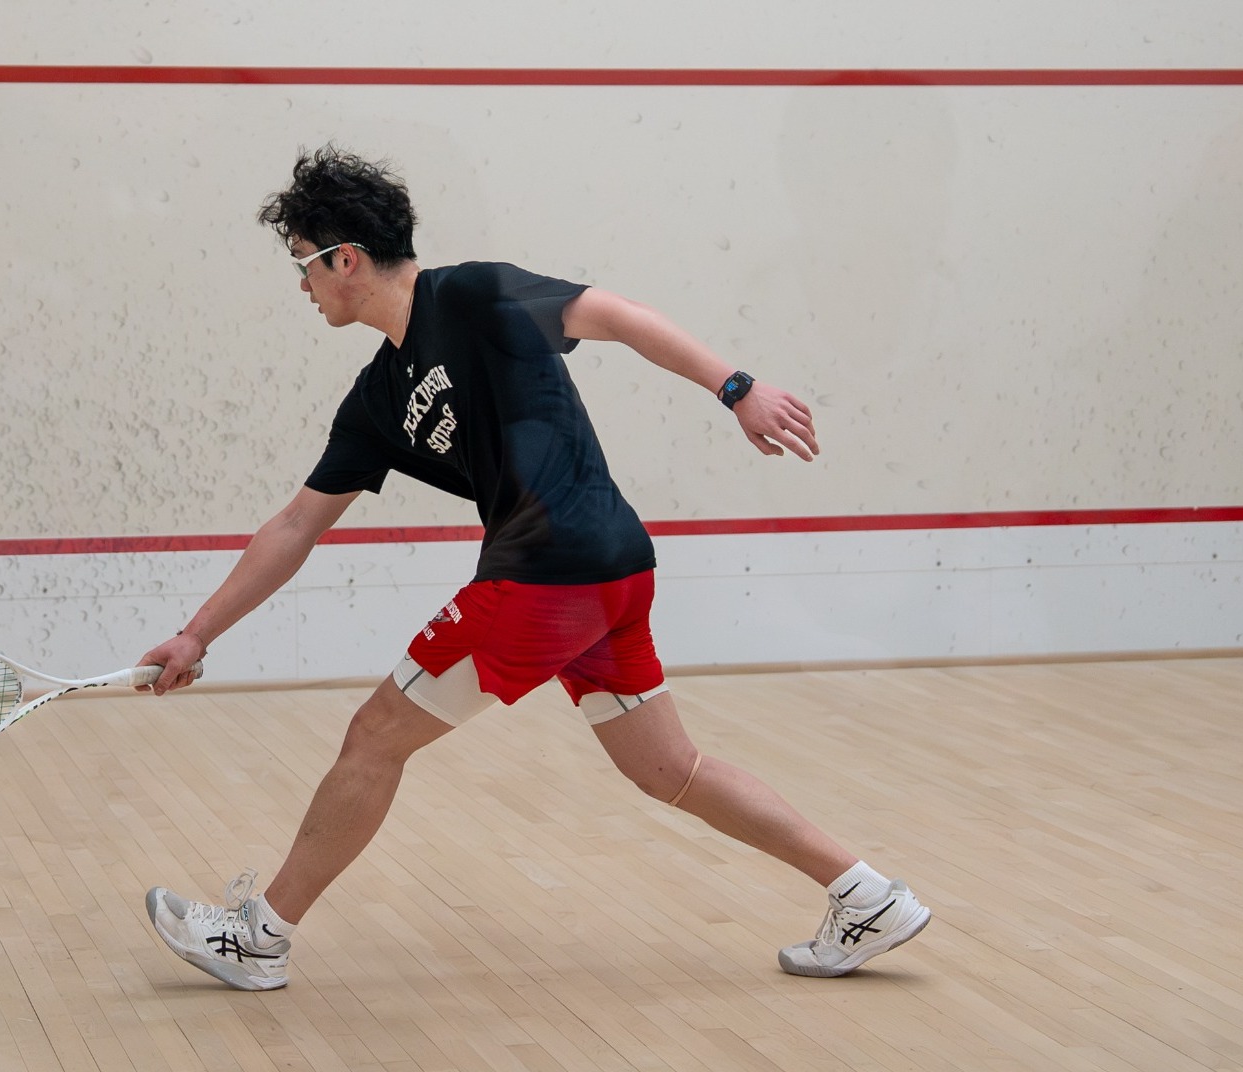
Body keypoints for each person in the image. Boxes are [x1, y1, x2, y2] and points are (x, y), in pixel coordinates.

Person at [136, 146, 929, 991]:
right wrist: (196, 634)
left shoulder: (472, 295)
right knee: (667, 769)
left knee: (375, 736)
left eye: (301, 263)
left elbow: (615, 314)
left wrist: (735, 387)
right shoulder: (375, 399)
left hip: (552, 575)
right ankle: (864, 895)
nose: (299, 286)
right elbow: (297, 522)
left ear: (346, 260)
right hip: (605, 576)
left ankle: (258, 938)